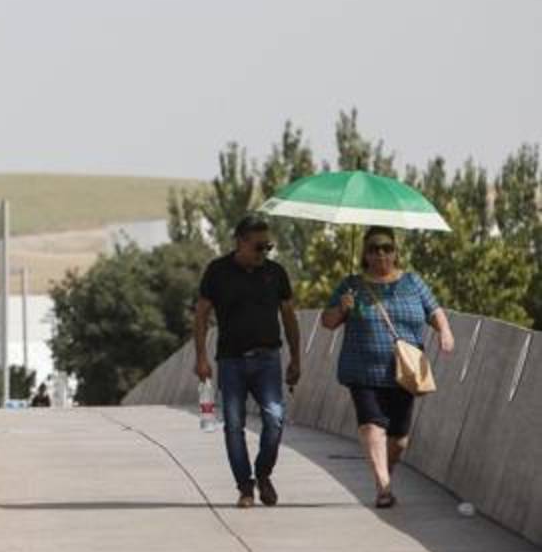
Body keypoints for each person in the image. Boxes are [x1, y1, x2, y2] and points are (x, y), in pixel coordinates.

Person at [320, 226, 454, 509]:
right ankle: (383, 486)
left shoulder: (412, 282)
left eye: (387, 248)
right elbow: (327, 322)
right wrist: (342, 308)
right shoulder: (351, 285)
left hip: (404, 371)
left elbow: (434, 310)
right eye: (374, 248)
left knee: (399, 438)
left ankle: (385, 475)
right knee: (371, 425)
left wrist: (444, 331)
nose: (381, 254)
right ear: (365, 254)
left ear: (395, 252)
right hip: (362, 369)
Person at [194, 215, 301, 508]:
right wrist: (201, 357)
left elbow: (289, 317)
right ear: (240, 242)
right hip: (231, 362)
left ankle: (263, 473)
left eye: (268, 247)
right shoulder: (217, 271)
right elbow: (201, 314)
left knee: (275, 419)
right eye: (258, 247)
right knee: (233, 425)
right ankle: (245, 487)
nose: (263, 253)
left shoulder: (275, 273)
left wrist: (296, 358)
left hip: (268, 360)